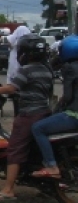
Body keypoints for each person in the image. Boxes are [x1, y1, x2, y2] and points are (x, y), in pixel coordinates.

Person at [0, 34, 53, 201]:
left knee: (15, 149)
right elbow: (41, 90)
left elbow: (11, 88)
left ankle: (8, 189)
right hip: (45, 112)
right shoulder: (47, 70)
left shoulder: (25, 70)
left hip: (29, 115)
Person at [30, 35, 78, 179]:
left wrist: (61, 104)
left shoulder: (70, 68)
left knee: (37, 128)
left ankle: (51, 165)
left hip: (74, 115)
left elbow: (68, 96)